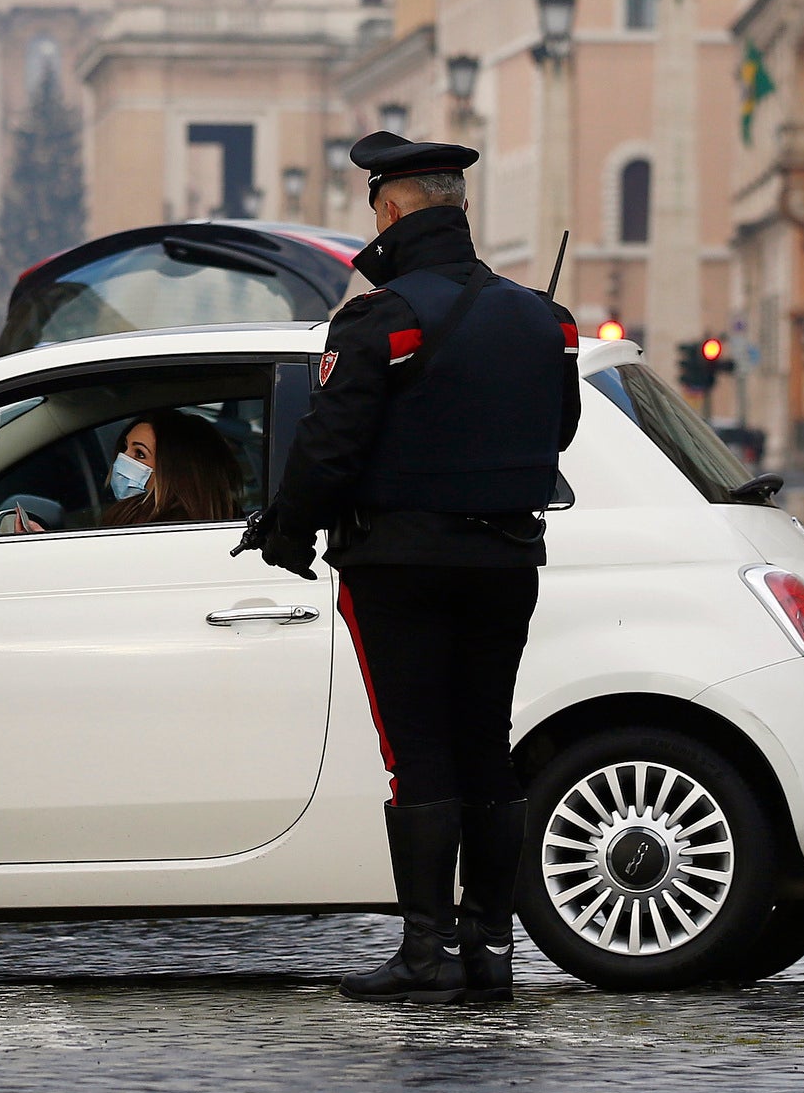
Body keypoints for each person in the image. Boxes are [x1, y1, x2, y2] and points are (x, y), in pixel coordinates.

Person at [240, 133, 579, 1006]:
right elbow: (563, 430)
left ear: (390, 211)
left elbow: (331, 442)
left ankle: (426, 955)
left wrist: (287, 530)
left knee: (418, 754)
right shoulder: (547, 319)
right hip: (506, 560)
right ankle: (492, 953)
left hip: (397, 565)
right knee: (486, 749)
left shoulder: (382, 319)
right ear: (457, 209)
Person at [106, 409, 241, 525]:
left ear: (175, 472)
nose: (121, 458)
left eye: (140, 454)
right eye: (124, 447)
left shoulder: (161, 530)